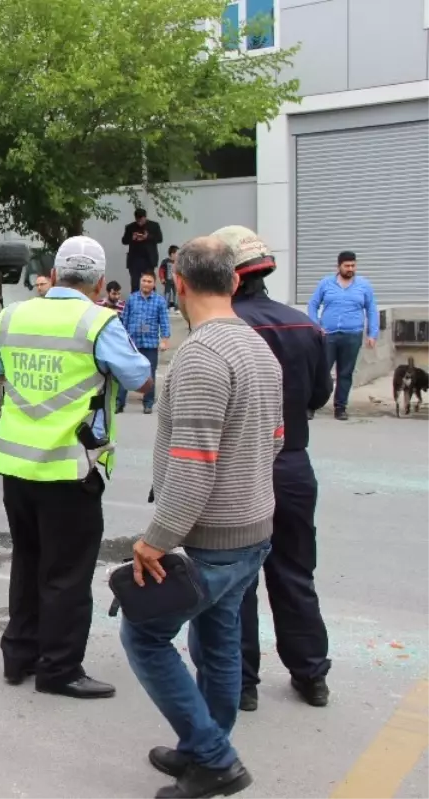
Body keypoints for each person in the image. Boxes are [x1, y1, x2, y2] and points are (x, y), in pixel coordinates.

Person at [120, 236, 283, 799]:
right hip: (254, 532)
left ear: (177, 284)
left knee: (143, 636)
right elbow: (275, 441)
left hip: (212, 542)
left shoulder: (200, 357)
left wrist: (154, 541)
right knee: (219, 642)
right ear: (235, 282)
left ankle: (214, 757)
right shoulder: (259, 349)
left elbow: (192, 470)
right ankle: (201, 748)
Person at [0, 236, 153, 700]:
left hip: (15, 467)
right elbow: (139, 377)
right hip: (69, 469)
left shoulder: (13, 314)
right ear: (98, 284)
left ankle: (18, 657)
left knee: (28, 562)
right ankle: (59, 669)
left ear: (52, 276)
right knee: (67, 575)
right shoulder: (98, 322)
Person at [216, 226, 333, 712]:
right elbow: (318, 398)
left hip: (240, 471)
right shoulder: (304, 327)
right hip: (292, 467)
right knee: (294, 573)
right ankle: (311, 676)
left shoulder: (221, 330)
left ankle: (242, 684)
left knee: (236, 580)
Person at [306, 251, 378, 421]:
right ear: (338, 266)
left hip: (352, 335)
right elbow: (313, 304)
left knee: (345, 373)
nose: (350, 269)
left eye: (353, 265)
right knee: (321, 372)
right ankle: (311, 405)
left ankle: (340, 407)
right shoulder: (326, 283)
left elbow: (372, 309)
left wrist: (372, 333)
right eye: (347, 266)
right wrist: (315, 326)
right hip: (328, 335)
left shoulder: (363, 286)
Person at [117, 272, 170, 415]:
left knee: (149, 374)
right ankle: (119, 402)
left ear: (154, 284)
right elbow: (125, 320)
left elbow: (164, 322)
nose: (146, 283)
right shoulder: (132, 299)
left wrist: (164, 339)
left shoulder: (159, 301)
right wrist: (122, 339)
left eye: (149, 281)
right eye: (144, 281)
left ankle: (148, 403)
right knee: (125, 372)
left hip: (150, 343)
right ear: (140, 282)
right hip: (132, 343)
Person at [121, 208, 164, 293]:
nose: (139, 221)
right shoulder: (130, 227)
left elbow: (160, 239)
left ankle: (151, 301)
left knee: (149, 281)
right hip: (134, 259)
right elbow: (124, 241)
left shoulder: (154, 225)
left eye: (141, 219)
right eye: (137, 220)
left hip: (149, 259)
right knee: (135, 283)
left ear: (145, 217)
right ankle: (135, 301)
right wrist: (132, 238)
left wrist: (147, 237)